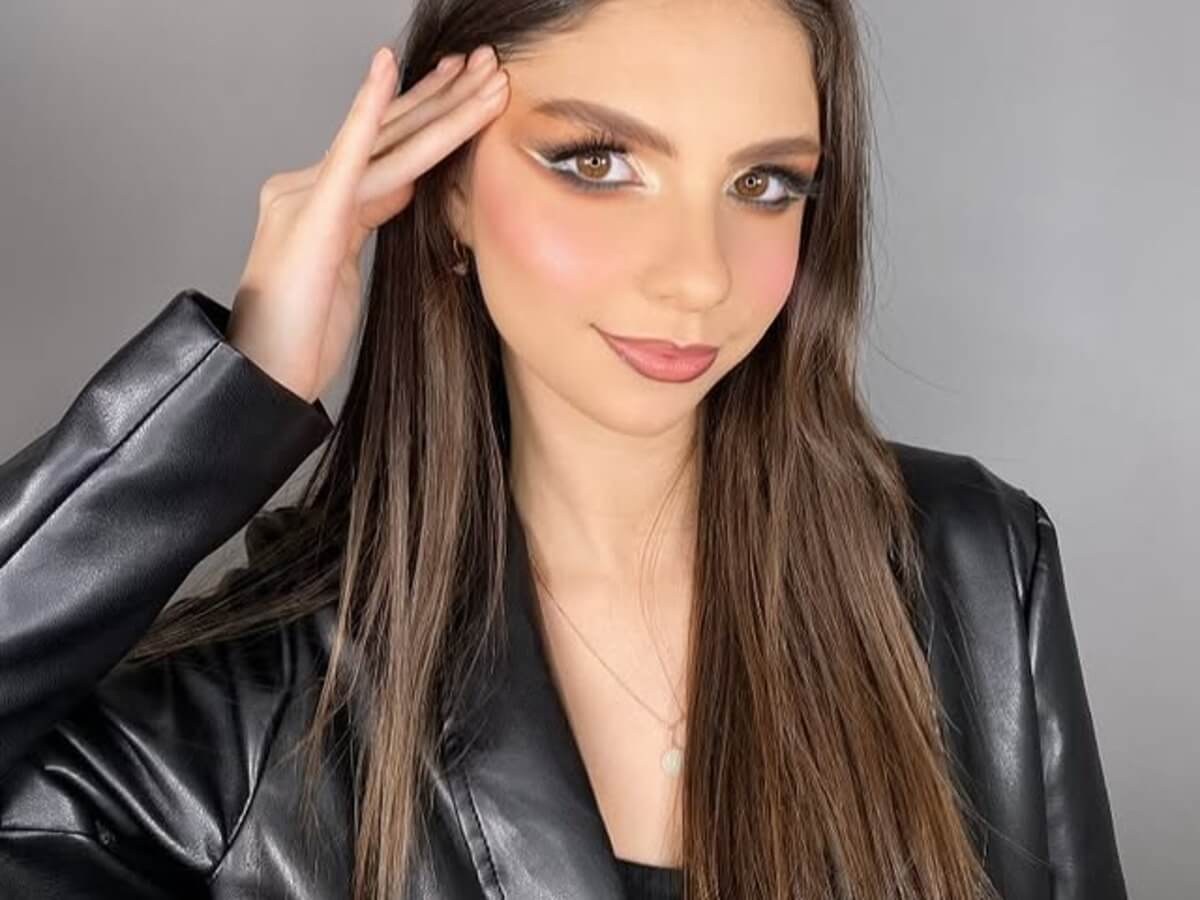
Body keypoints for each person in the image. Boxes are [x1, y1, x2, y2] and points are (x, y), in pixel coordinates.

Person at [0, 1, 1128, 898]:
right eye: (598, 162)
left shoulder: (975, 569)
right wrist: (239, 383)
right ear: (447, 191)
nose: (698, 275)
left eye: (763, 183)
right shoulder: (261, 716)